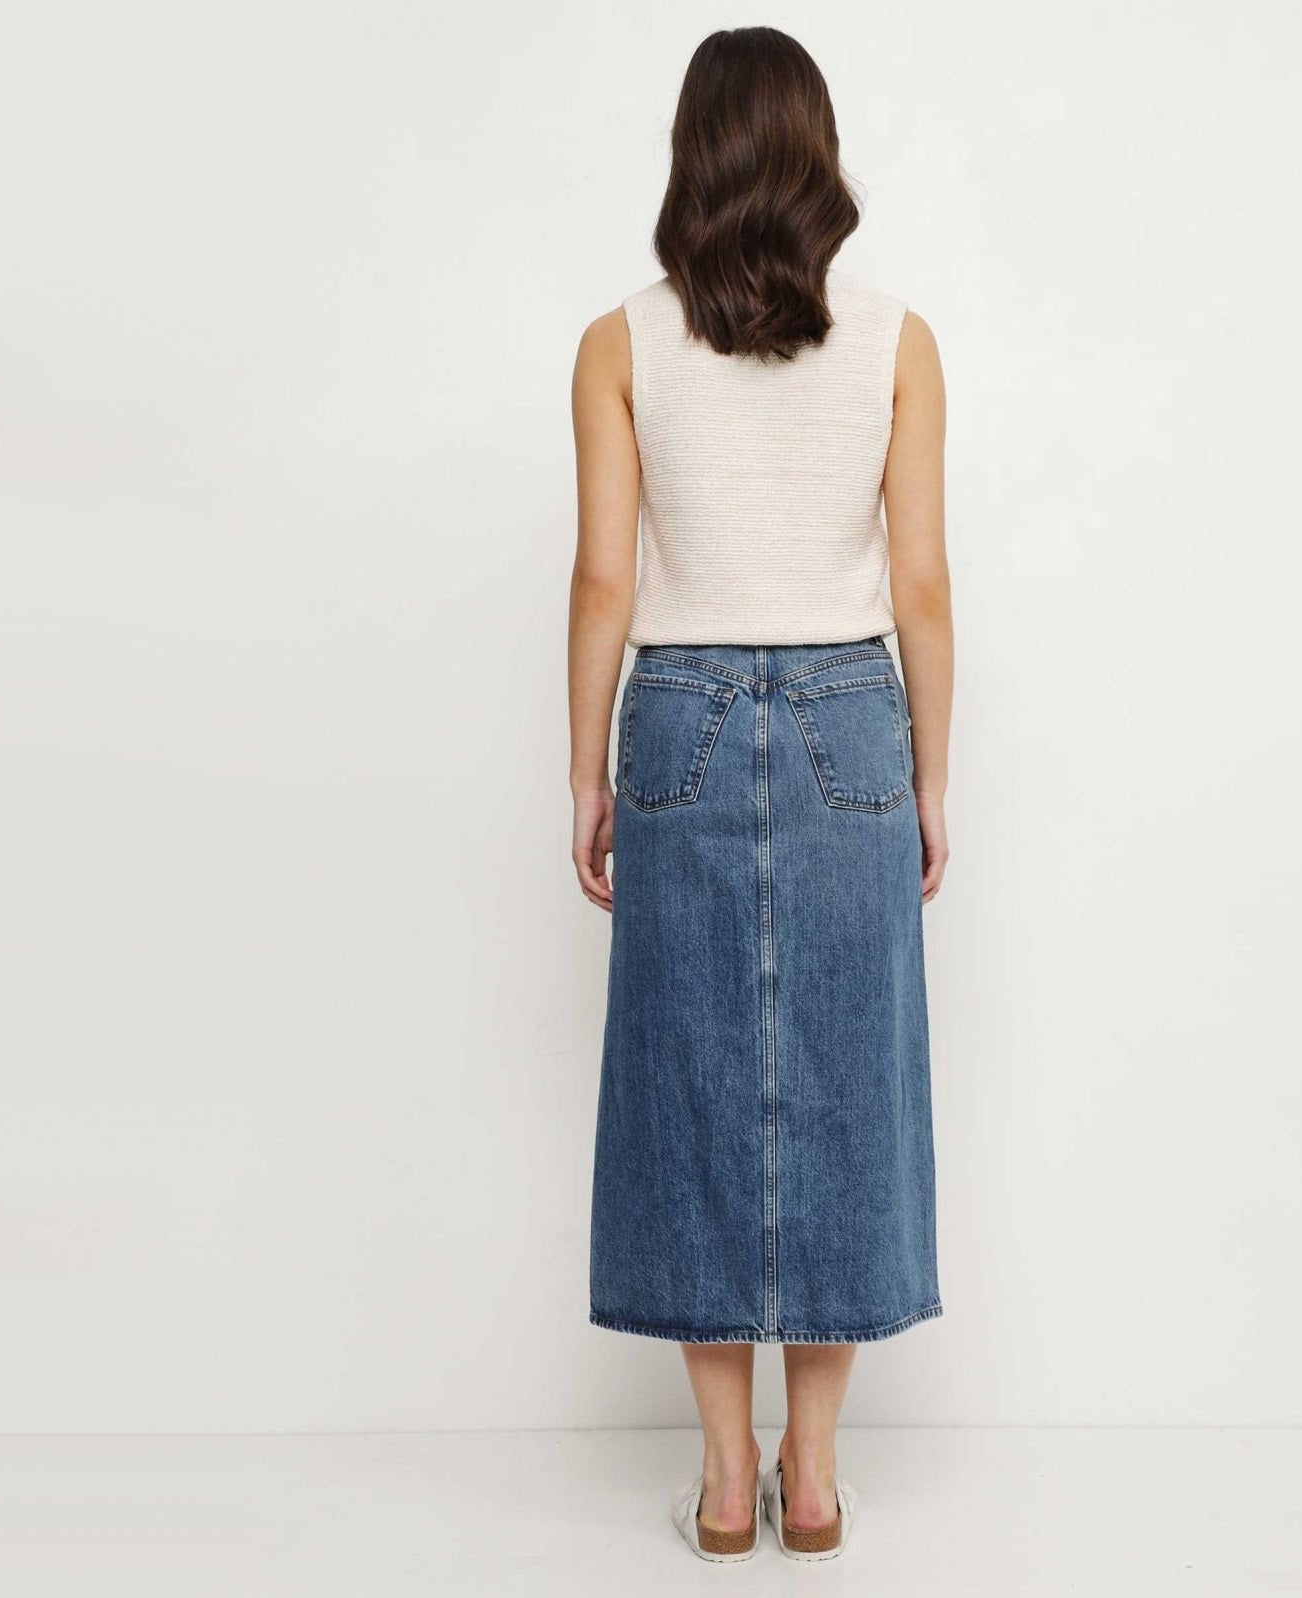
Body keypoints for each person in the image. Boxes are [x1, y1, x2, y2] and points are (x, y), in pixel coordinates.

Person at [566, 25, 952, 1564]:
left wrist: (584, 769)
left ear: (693, 155)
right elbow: (920, 582)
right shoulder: (898, 340)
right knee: (847, 1083)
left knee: (689, 1086)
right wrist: (929, 775)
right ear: (816, 153)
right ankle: (815, 1475)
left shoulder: (618, 343)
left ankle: (725, 1479)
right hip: (852, 718)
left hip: (679, 714)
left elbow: (605, 578)